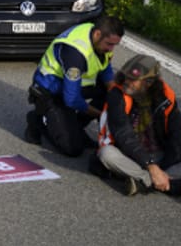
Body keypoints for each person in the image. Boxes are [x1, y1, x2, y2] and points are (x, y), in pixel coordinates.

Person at [93, 54, 181, 199]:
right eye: (126, 77)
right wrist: (151, 166)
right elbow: (123, 134)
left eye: (133, 80)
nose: (127, 82)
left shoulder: (166, 96)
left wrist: (163, 167)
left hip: (162, 156)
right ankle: (172, 185)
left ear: (149, 82)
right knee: (106, 154)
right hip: (129, 154)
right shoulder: (116, 95)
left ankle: (145, 181)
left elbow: (178, 133)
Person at [25, 16, 124, 156]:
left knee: (112, 93)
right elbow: (71, 99)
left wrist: (117, 96)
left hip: (74, 85)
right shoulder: (75, 53)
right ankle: (38, 120)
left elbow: (105, 68)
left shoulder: (99, 37)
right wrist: (101, 115)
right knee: (73, 149)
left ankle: (73, 126)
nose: (111, 49)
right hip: (51, 90)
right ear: (97, 34)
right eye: (109, 44)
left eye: (114, 45)